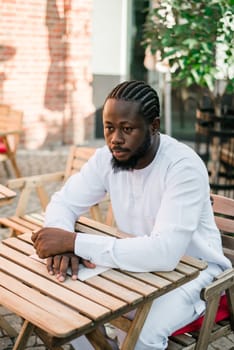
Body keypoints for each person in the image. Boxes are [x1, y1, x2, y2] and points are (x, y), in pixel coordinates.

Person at [32, 80, 231, 350]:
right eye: (109, 128)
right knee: (67, 304)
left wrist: (73, 242)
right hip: (135, 263)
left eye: (127, 129)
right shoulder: (107, 157)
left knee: (142, 333)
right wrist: (63, 245)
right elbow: (64, 202)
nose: (116, 138)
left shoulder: (183, 167)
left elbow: (164, 253)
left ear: (154, 125)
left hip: (196, 274)